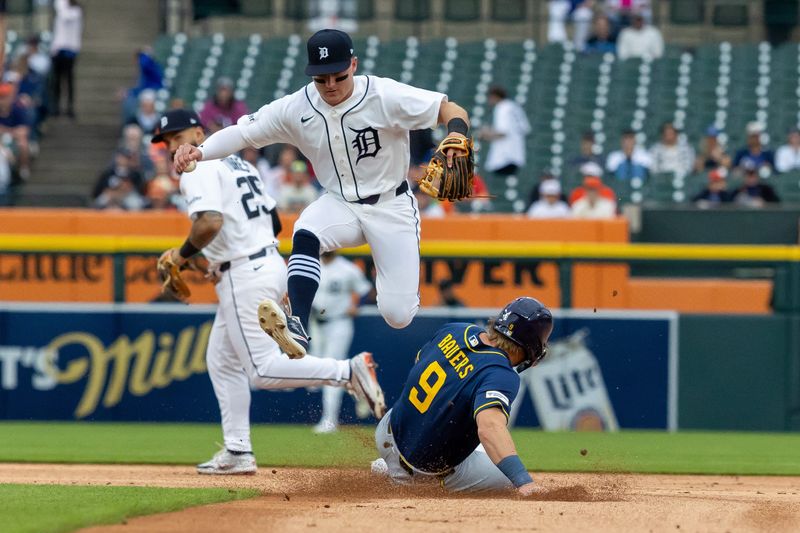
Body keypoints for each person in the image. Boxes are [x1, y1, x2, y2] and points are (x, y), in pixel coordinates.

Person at [174, 29, 472, 359]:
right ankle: (298, 324)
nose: (330, 85)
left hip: (392, 205)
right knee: (306, 230)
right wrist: (199, 152)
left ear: (354, 65)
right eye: (321, 78)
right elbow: (242, 132)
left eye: (338, 76)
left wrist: (457, 135)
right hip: (340, 203)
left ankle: (393, 302)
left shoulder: (384, 95)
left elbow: (451, 109)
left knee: (397, 314)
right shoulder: (296, 107)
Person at [152, 109, 386, 474]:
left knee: (262, 369)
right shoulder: (241, 166)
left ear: (199, 132)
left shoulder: (197, 167)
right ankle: (237, 450)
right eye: (167, 143)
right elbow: (274, 221)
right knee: (222, 360)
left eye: (178, 137)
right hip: (268, 262)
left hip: (244, 273)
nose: (173, 147)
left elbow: (210, 221)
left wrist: (181, 257)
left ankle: (347, 371)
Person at [372, 297, 553, 494]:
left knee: (466, 422)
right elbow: (489, 428)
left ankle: (389, 465)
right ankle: (400, 476)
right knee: (507, 476)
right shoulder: (502, 374)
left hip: (386, 432)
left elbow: (419, 360)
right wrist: (523, 482)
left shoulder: (457, 329)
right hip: (423, 471)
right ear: (533, 345)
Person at [310, 251, 373, 433]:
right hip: (315, 323)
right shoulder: (312, 264)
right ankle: (359, 385)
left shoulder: (347, 269)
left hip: (339, 323)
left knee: (331, 368)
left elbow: (367, 290)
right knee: (314, 378)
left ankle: (329, 420)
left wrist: (357, 306)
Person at [479, 85, 531, 179]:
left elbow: (502, 132)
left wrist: (485, 134)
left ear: (494, 96)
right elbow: (525, 129)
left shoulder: (502, 107)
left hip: (504, 158)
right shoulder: (514, 106)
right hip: (517, 155)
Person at [50, 0, 83, 118]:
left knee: (69, 80)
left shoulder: (76, 9)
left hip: (70, 50)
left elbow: (65, 16)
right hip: (58, 49)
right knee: (57, 80)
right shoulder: (62, 5)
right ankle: (56, 107)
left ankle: (70, 107)